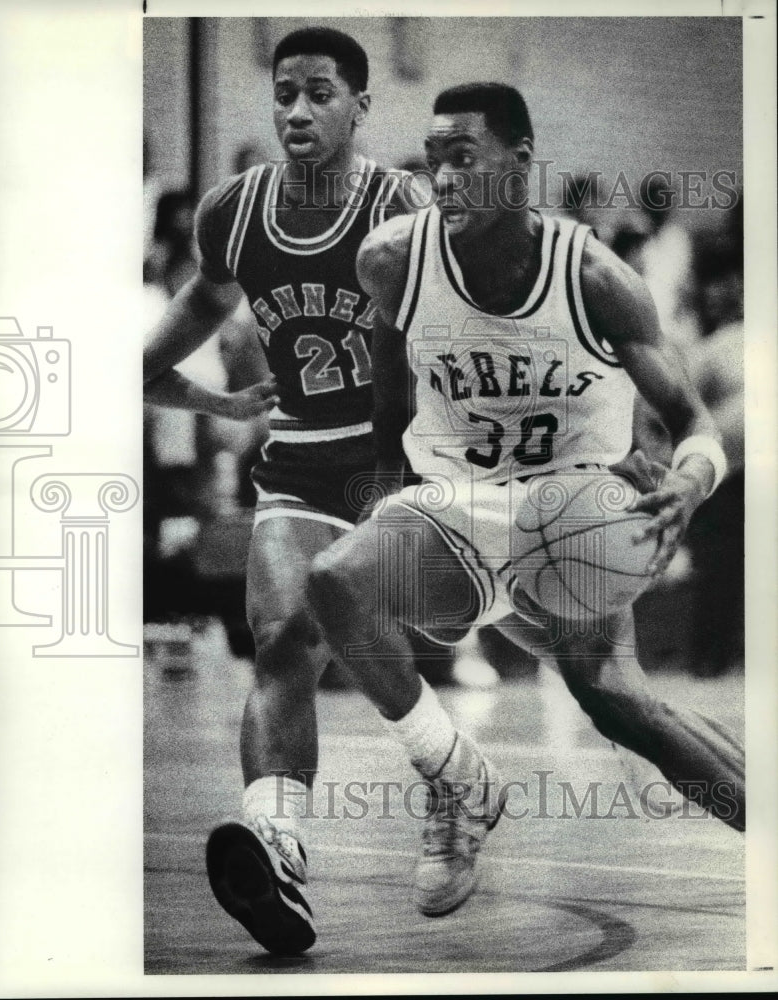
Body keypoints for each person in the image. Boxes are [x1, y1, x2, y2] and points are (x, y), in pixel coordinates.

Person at [306, 83, 745, 920]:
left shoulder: (593, 276)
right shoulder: (392, 259)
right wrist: (386, 518)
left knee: (623, 707)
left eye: (463, 159)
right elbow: (389, 411)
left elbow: (695, 425)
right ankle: (455, 778)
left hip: (571, 510)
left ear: (519, 162)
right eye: (433, 162)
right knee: (336, 581)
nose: (442, 179)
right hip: (455, 509)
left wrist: (687, 480)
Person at [144, 27, 414, 955]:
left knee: (375, 646)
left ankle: (457, 774)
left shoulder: (399, 208)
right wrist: (219, 398)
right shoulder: (234, 213)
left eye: (321, 93)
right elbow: (150, 359)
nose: (297, 111)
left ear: (359, 106)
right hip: (298, 461)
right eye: (284, 93)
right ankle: (278, 848)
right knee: (279, 636)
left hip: (392, 462)